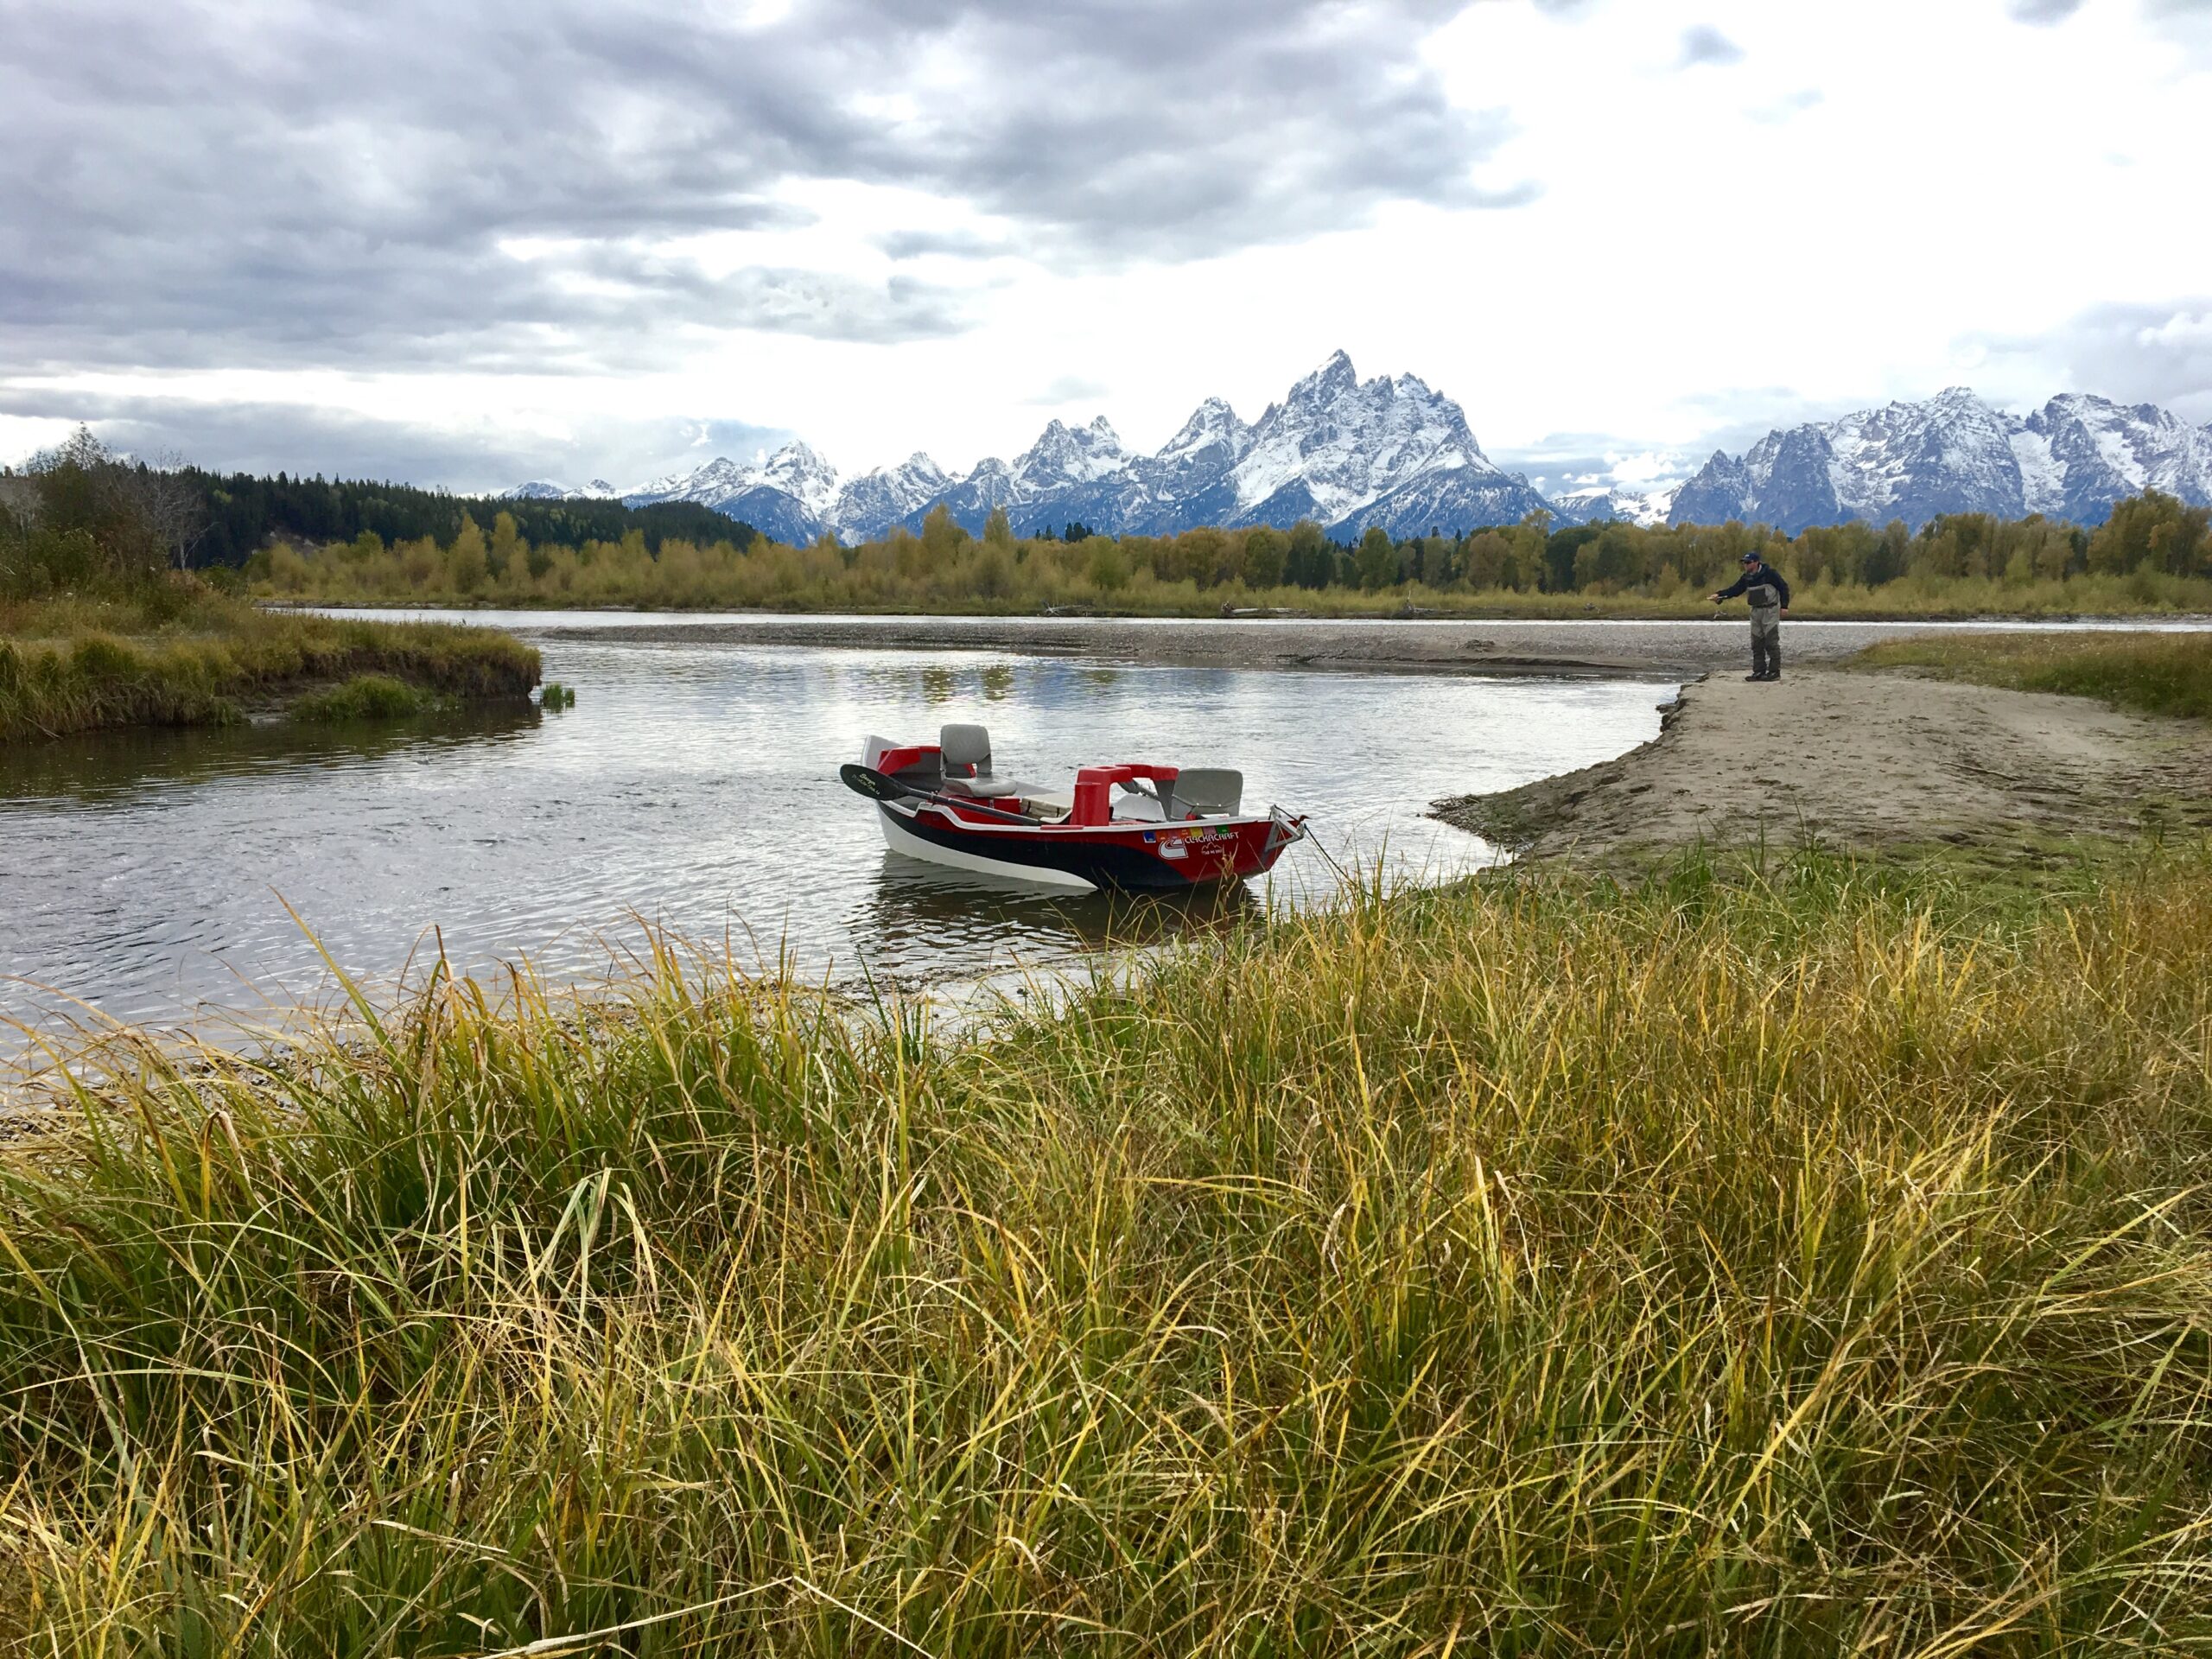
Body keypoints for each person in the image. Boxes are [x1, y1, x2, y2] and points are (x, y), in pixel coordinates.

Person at [1711, 549, 1790, 681]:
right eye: (1744, 563)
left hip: (1770, 610)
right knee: (1757, 642)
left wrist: (1784, 606)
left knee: (1771, 641)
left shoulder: (1770, 574)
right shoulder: (1746, 577)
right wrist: (1719, 595)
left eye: (1748, 562)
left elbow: (1784, 588)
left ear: (1756, 563)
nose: (1746, 565)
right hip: (1755, 611)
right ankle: (1758, 671)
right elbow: (1735, 590)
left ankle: (1774, 672)